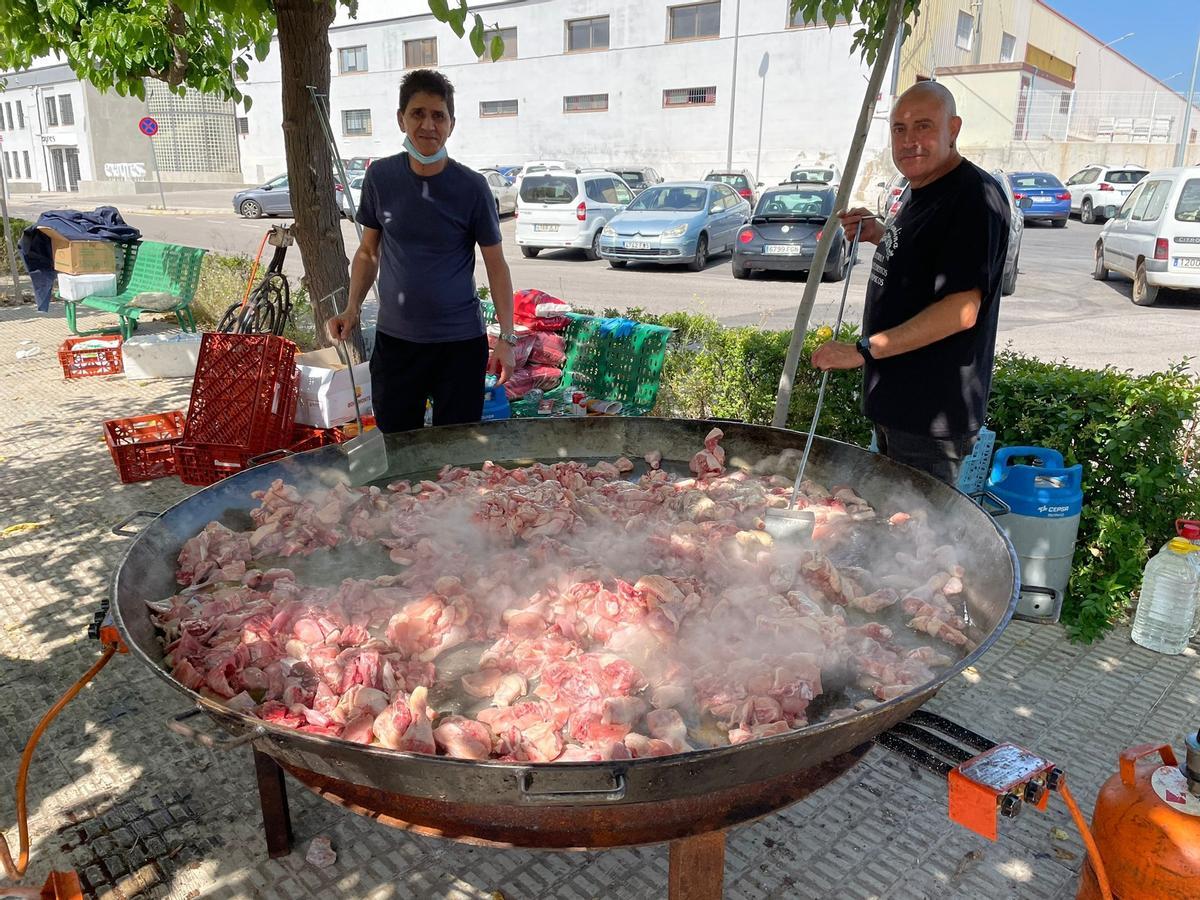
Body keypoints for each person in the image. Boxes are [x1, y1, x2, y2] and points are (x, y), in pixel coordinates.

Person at [811, 81, 1010, 486]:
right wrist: (878, 233)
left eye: (923, 126)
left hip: (928, 418)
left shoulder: (972, 198)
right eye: (899, 129)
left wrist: (862, 351)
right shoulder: (922, 187)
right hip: (898, 407)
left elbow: (961, 309)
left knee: (914, 543)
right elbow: (925, 260)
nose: (909, 140)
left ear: (952, 129)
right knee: (888, 529)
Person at [326, 69, 517, 432]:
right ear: (401, 119)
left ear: (451, 124)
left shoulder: (472, 187)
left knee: (455, 459)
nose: (428, 125)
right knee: (397, 451)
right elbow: (368, 252)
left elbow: (497, 266)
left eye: (438, 115)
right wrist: (351, 308)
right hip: (397, 345)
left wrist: (506, 338)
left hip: (460, 346)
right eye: (418, 113)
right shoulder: (381, 178)